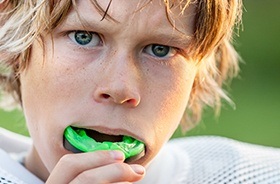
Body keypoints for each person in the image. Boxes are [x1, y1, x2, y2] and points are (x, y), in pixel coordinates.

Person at [0, 0, 279, 183]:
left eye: (160, 50)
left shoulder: (253, 174)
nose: (120, 88)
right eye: (84, 37)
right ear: (11, 39)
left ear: (199, 74)